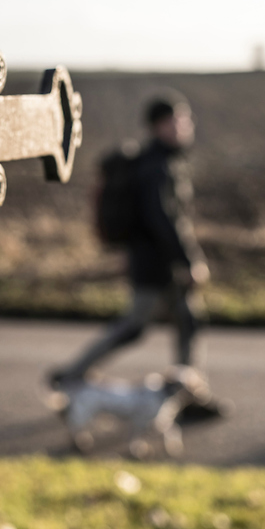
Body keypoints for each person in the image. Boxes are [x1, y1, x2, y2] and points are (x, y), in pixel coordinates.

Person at [49, 93, 226, 421]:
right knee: (134, 326)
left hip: (154, 261)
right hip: (156, 264)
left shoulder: (159, 161)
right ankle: (71, 376)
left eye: (185, 120)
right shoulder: (157, 166)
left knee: (188, 321)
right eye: (179, 120)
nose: (186, 126)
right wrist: (188, 261)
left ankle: (189, 395)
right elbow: (165, 219)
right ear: (162, 125)